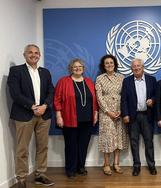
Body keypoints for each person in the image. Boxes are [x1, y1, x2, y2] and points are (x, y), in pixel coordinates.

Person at [7, 44, 55, 188]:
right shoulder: (16, 71)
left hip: (44, 115)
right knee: (22, 148)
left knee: (42, 147)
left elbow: (51, 91)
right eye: (30, 52)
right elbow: (15, 93)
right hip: (24, 115)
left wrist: (45, 106)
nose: (34, 55)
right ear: (24, 55)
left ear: (39, 55)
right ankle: (21, 179)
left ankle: (40, 174)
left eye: (36, 53)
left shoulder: (45, 72)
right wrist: (33, 106)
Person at [54, 58, 98, 178]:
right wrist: (59, 116)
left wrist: (95, 113)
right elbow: (56, 100)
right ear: (71, 69)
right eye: (75, 67)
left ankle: (80, 167)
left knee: (83, 145)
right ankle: (70, 169)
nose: (78, 68)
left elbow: (94, 100)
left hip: (87, 120)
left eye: (80, 66)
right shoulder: (63, 81)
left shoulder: (89, 82)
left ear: (83, 69)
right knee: (71, 145)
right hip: (69, 119)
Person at [121, 58, 157, 176]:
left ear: (143, 67)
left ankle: (151, 165)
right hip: (133, 117)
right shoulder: (126, 81)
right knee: (134, 142)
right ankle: (136, 166)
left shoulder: (152, 80)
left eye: (138, 66)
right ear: (131, 69)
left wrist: (153, 100)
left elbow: (156, 95)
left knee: (149, 142)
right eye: (134, 67)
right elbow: (124, 100)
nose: (136, 68)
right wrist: (125, 114)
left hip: (147, 115)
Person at [95, 55, 128, 176]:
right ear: (103, 66)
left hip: (119, 112)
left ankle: (116, 163)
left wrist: (120, 110)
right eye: (107, 63)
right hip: (106, 113)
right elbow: (99, 97)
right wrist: (108, 111)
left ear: (115, 64)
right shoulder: (99, 78)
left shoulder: (121, 77)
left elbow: (124, 95)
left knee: (119, 138)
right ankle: (106, 164)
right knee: (107, 138)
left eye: (111, 62)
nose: (109, 65)